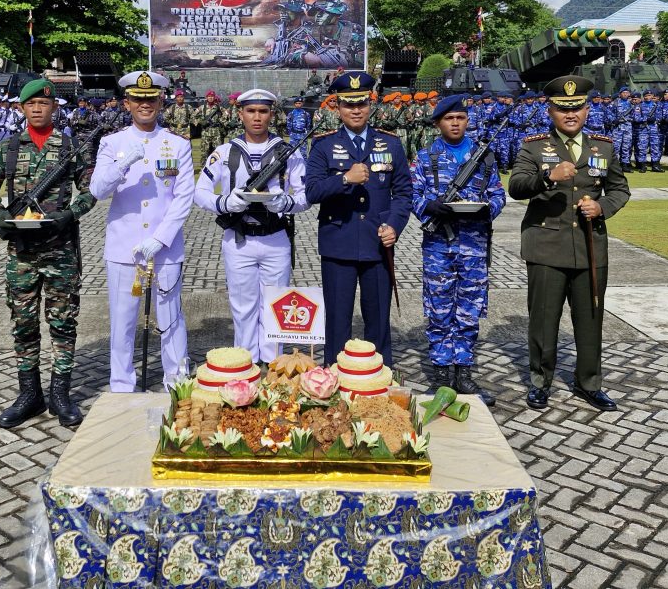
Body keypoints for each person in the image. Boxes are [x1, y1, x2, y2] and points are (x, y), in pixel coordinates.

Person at [0, 79, 96, 429]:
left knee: (63, 323)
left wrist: (69, 214)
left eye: (44, 104)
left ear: (54, 108)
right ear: (23, 109)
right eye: (31, 104)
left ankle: (61, 394)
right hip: (22, 253)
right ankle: (29, 394)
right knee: (23, 324)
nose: (38, 109)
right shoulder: (9, 147)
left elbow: (90, 190)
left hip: (60, 249)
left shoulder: (71, 146)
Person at [509, 75, 631, 412]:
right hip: (547, 246)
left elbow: (620, 189)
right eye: (563, 109)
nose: (571, 114)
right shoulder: (534, 146)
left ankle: (589, 382)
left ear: (587, 109)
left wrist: (601, 207)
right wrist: (548, 176)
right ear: (550, 111)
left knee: (590, 318)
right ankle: (540, 382)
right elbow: (516, 186)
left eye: (577, 108)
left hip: (590, 246)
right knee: (544, 320)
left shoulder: (603, 147)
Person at [89, 71, 193, 392]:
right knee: (122, 321)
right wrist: (122, 165)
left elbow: (183, 197)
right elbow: (97, 190)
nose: (145, 104)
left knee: (171, 319)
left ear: (161, 100)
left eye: (151, 98)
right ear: (127, 103)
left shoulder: (177, 144)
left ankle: (176, 381)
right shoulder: (112, 143)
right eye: (138, 99)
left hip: (163, 249)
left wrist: (159, 239)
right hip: (124, 249)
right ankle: (122, 383)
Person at [303, 71, 411, 366]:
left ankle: (378, 379)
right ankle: (335, 379)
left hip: (378, 243)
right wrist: (344, 179)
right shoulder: (323, 146)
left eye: (361, 103)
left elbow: (403, 192)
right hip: (339, 244)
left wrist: (396, 226)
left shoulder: (390, 144)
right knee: (337, 320)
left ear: (370, 104)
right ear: (337, 107)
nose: (356, 110)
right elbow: (311, 191)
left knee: (378, 319)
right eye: (348, 104)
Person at [194, 89, 310, 363]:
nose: (257, 117)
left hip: (276, 238)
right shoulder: (224, 152)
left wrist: (286, 202)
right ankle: (244, 364)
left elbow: (306, 196)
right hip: (239, 239)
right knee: (243, 307)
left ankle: (273, 366)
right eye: (251, 111)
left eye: (263, 111)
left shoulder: (288, 153)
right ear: (240, 114)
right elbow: (200, 192)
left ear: (272, 114)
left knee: (275, 305)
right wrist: (224, 203)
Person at [411, 94, 506, 403]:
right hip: (438, 244)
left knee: (468, 311)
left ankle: (463, 374)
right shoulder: (426, 157)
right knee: (438, 309)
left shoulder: (484, 156)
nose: (455, 123)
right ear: (439, 123)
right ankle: (441, 374)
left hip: (474, 245)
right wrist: (430, 206)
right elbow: (412, 193)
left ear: (467, 121)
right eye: (449, 118)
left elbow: (498, 194)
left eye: (461, 118)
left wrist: (486, 209)